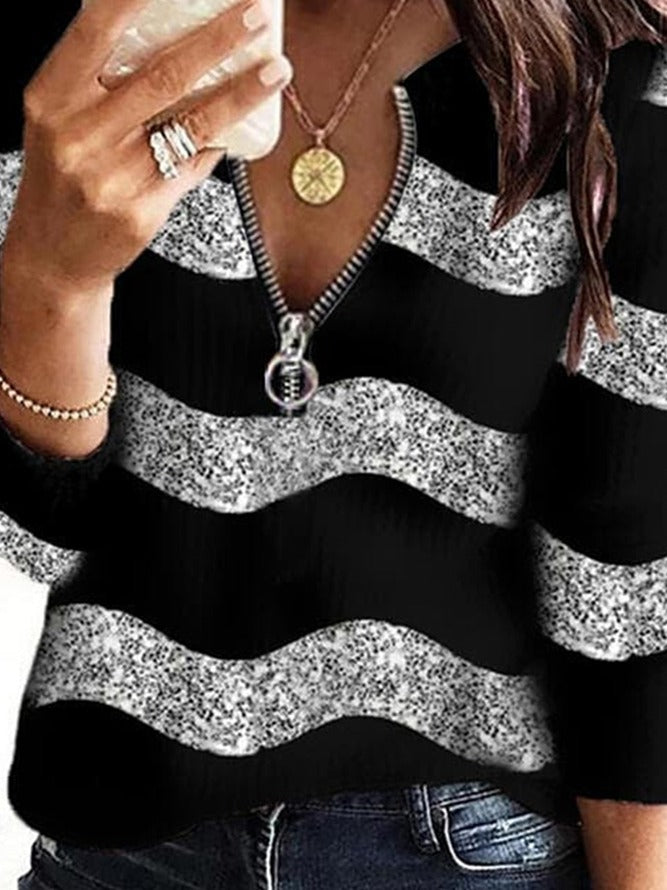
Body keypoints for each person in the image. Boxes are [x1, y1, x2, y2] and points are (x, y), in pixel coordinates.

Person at [1, 0, 666, 887]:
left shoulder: (606, 66)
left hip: (459, 851)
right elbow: (36, 544)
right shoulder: (75, 40)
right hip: (116, 836)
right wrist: (54, 283)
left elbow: (622, 581)